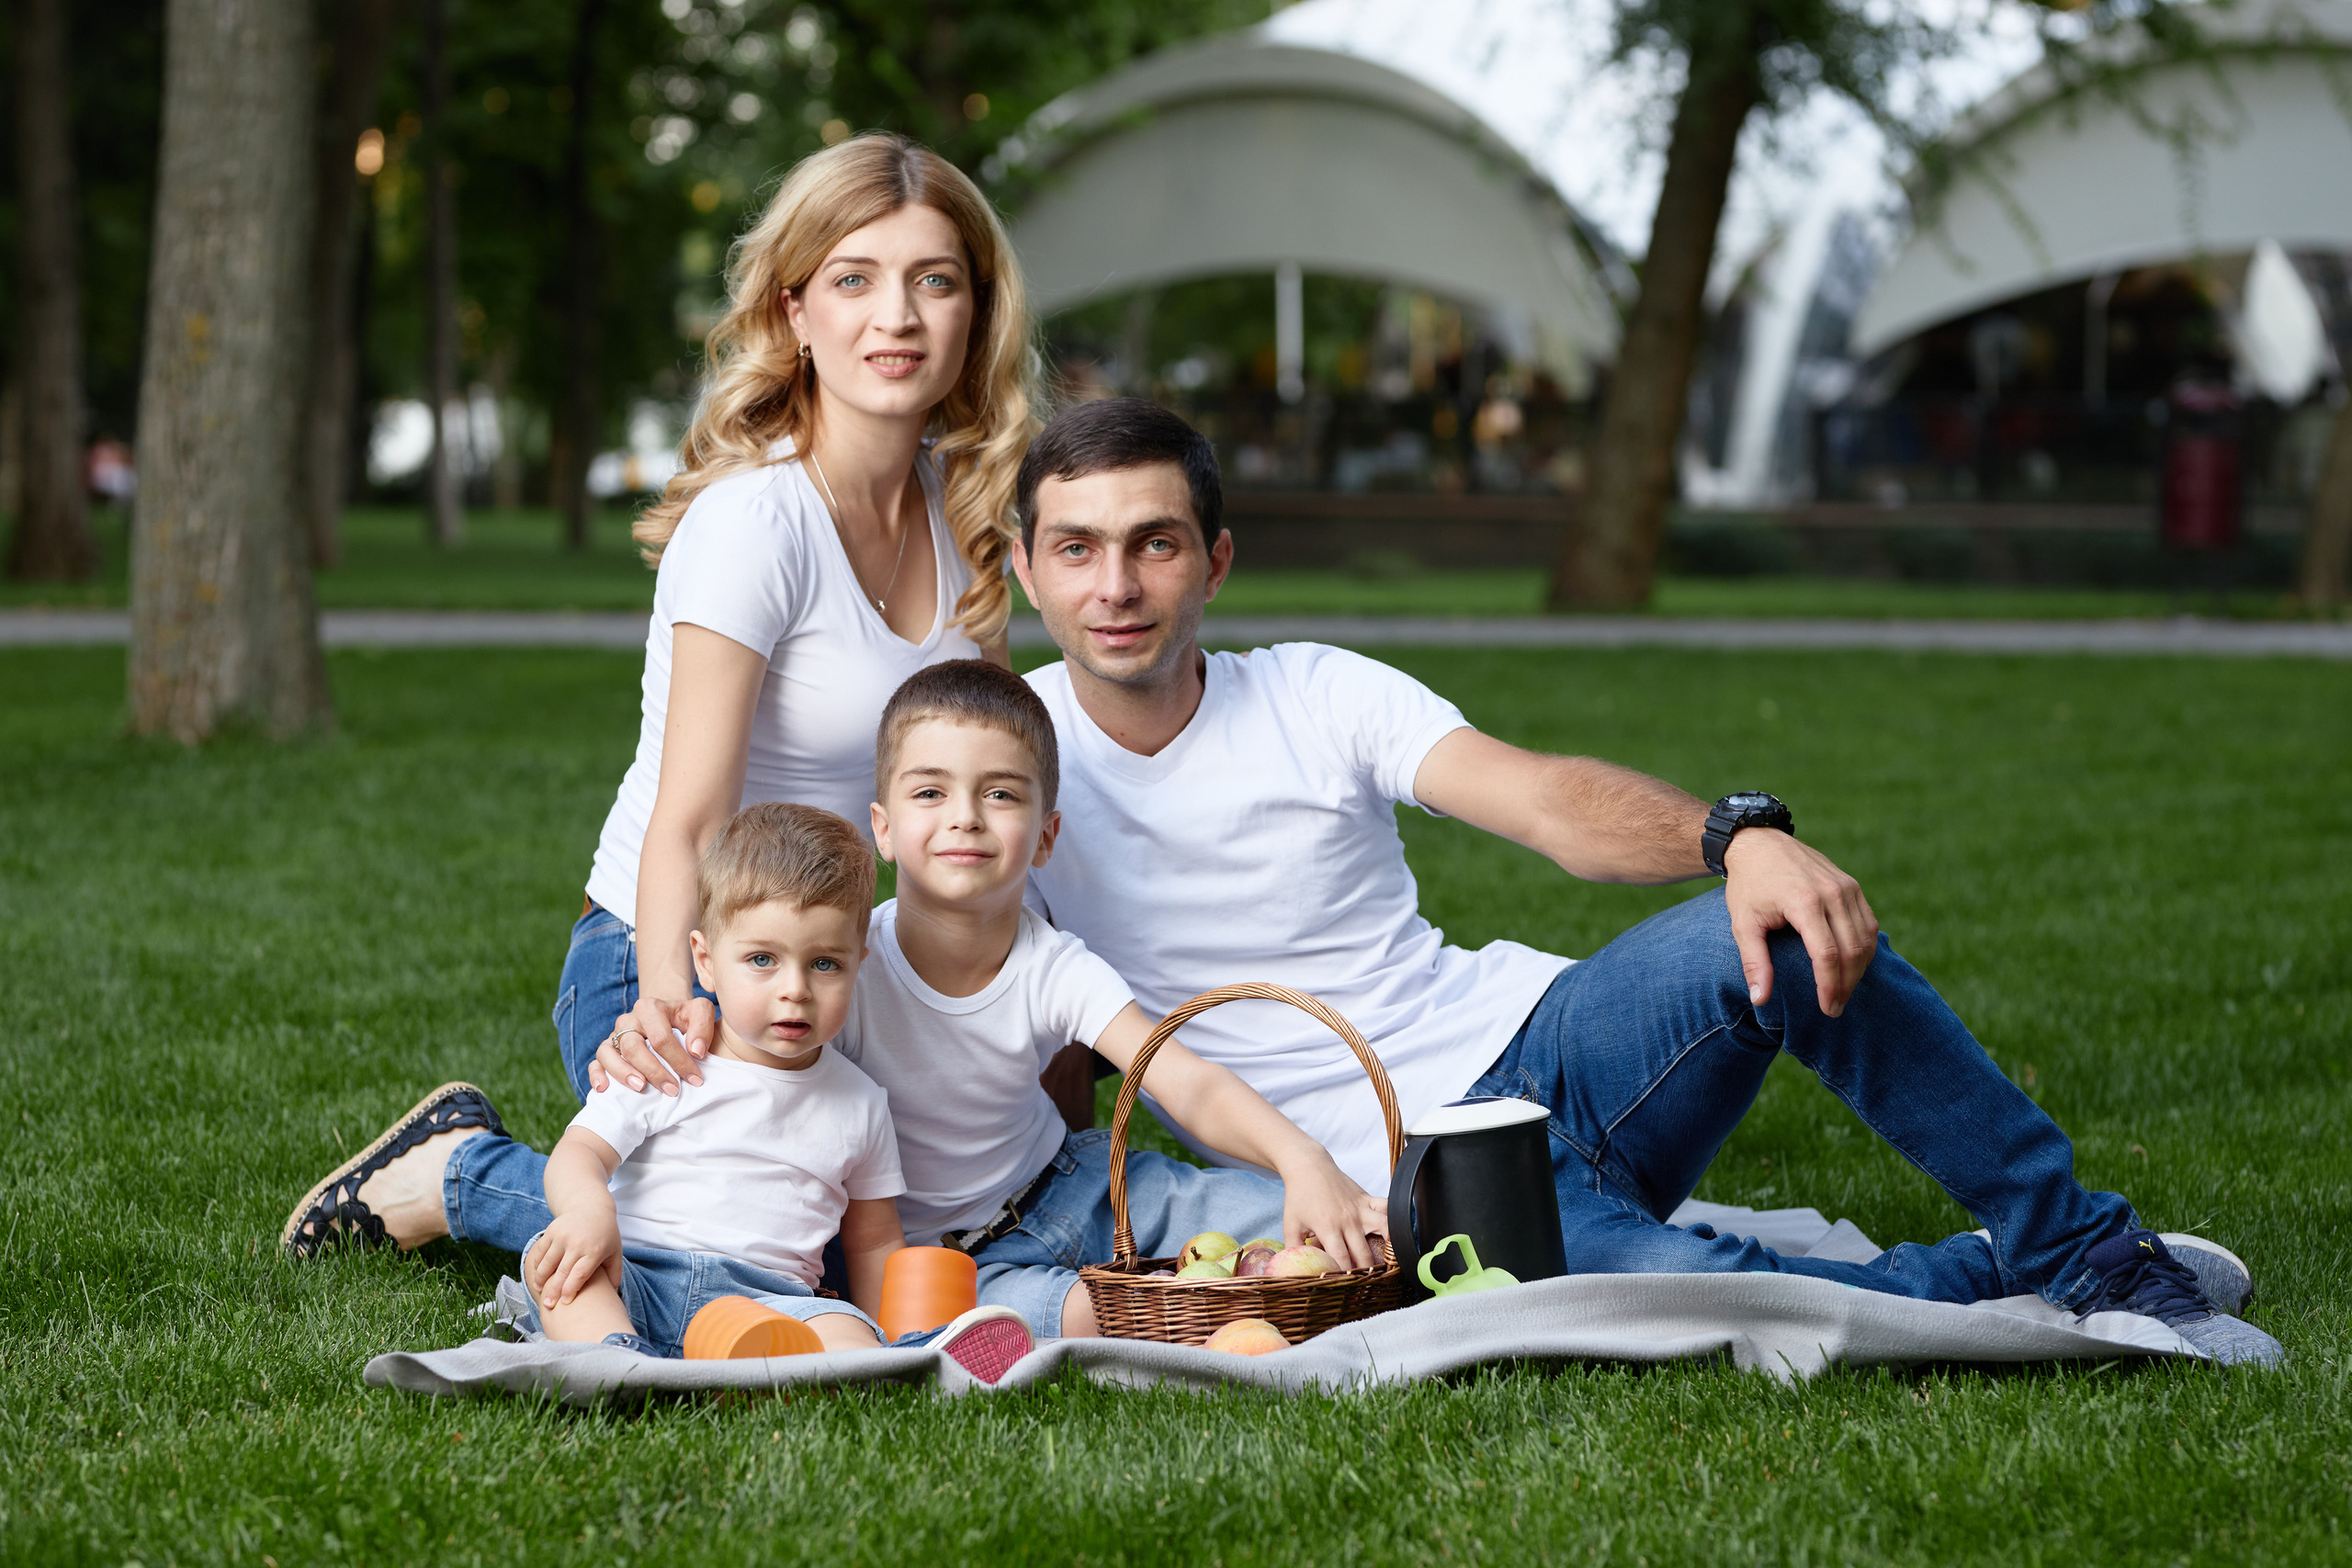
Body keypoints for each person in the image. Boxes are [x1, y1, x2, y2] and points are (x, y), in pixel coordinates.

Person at [985, 397, 2267, 1366]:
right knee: (1700, 1299)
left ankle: (2082, 1241)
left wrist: (1739, 835)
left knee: (1764, 925)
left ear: (1212, 562)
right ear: (1029, 568)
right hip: (1414, 1187)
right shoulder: (1002, 773)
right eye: (1079, 549)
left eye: (1152, 544)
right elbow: (1035, 1021)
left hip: (1550, 1046)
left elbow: (1546, 797)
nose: (1115, 586)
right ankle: (1985, 1277)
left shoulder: (1316, 689)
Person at [281, 131, 1038, 1260]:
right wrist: (672, 997)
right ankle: (458, 1172)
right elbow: (688, 815)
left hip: (825, 961)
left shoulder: (965, 512)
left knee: (899, 1229)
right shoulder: (755, 524)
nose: (898, 317)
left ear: (975, 311)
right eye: (854, 279)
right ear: (794, 312)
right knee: (739, 1253)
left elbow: (989, 784)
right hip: (669, 946)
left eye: (935, 280)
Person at [833, 659, 1387, 1339]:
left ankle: (1380, 1263)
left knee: (1308, 1226)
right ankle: (1155, 1303)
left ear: (1045, 836)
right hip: (950, 1261)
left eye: (1001, 794)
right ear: (882, 828)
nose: (966, 818)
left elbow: (1186, 1082)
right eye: (930, 793)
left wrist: (1303, 1159)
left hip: (1078, 1187)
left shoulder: (1052, 964)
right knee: (1092, 1316)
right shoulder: (850, 969)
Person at [523, 803, 904, 1358]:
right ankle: (617, 1359)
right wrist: (588, 1212)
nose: (794, 989)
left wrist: (883, 1332)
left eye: (825, 964)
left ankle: (728, 1365)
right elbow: (578, 1153)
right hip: (640, 1275)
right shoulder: (668, 1061)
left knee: (849, 1336)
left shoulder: (862, 1103)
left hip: (773, 1302)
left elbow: (873, 1241)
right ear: (705, 961)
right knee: (561, 1269)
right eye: (762, 959)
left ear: (858, 961)